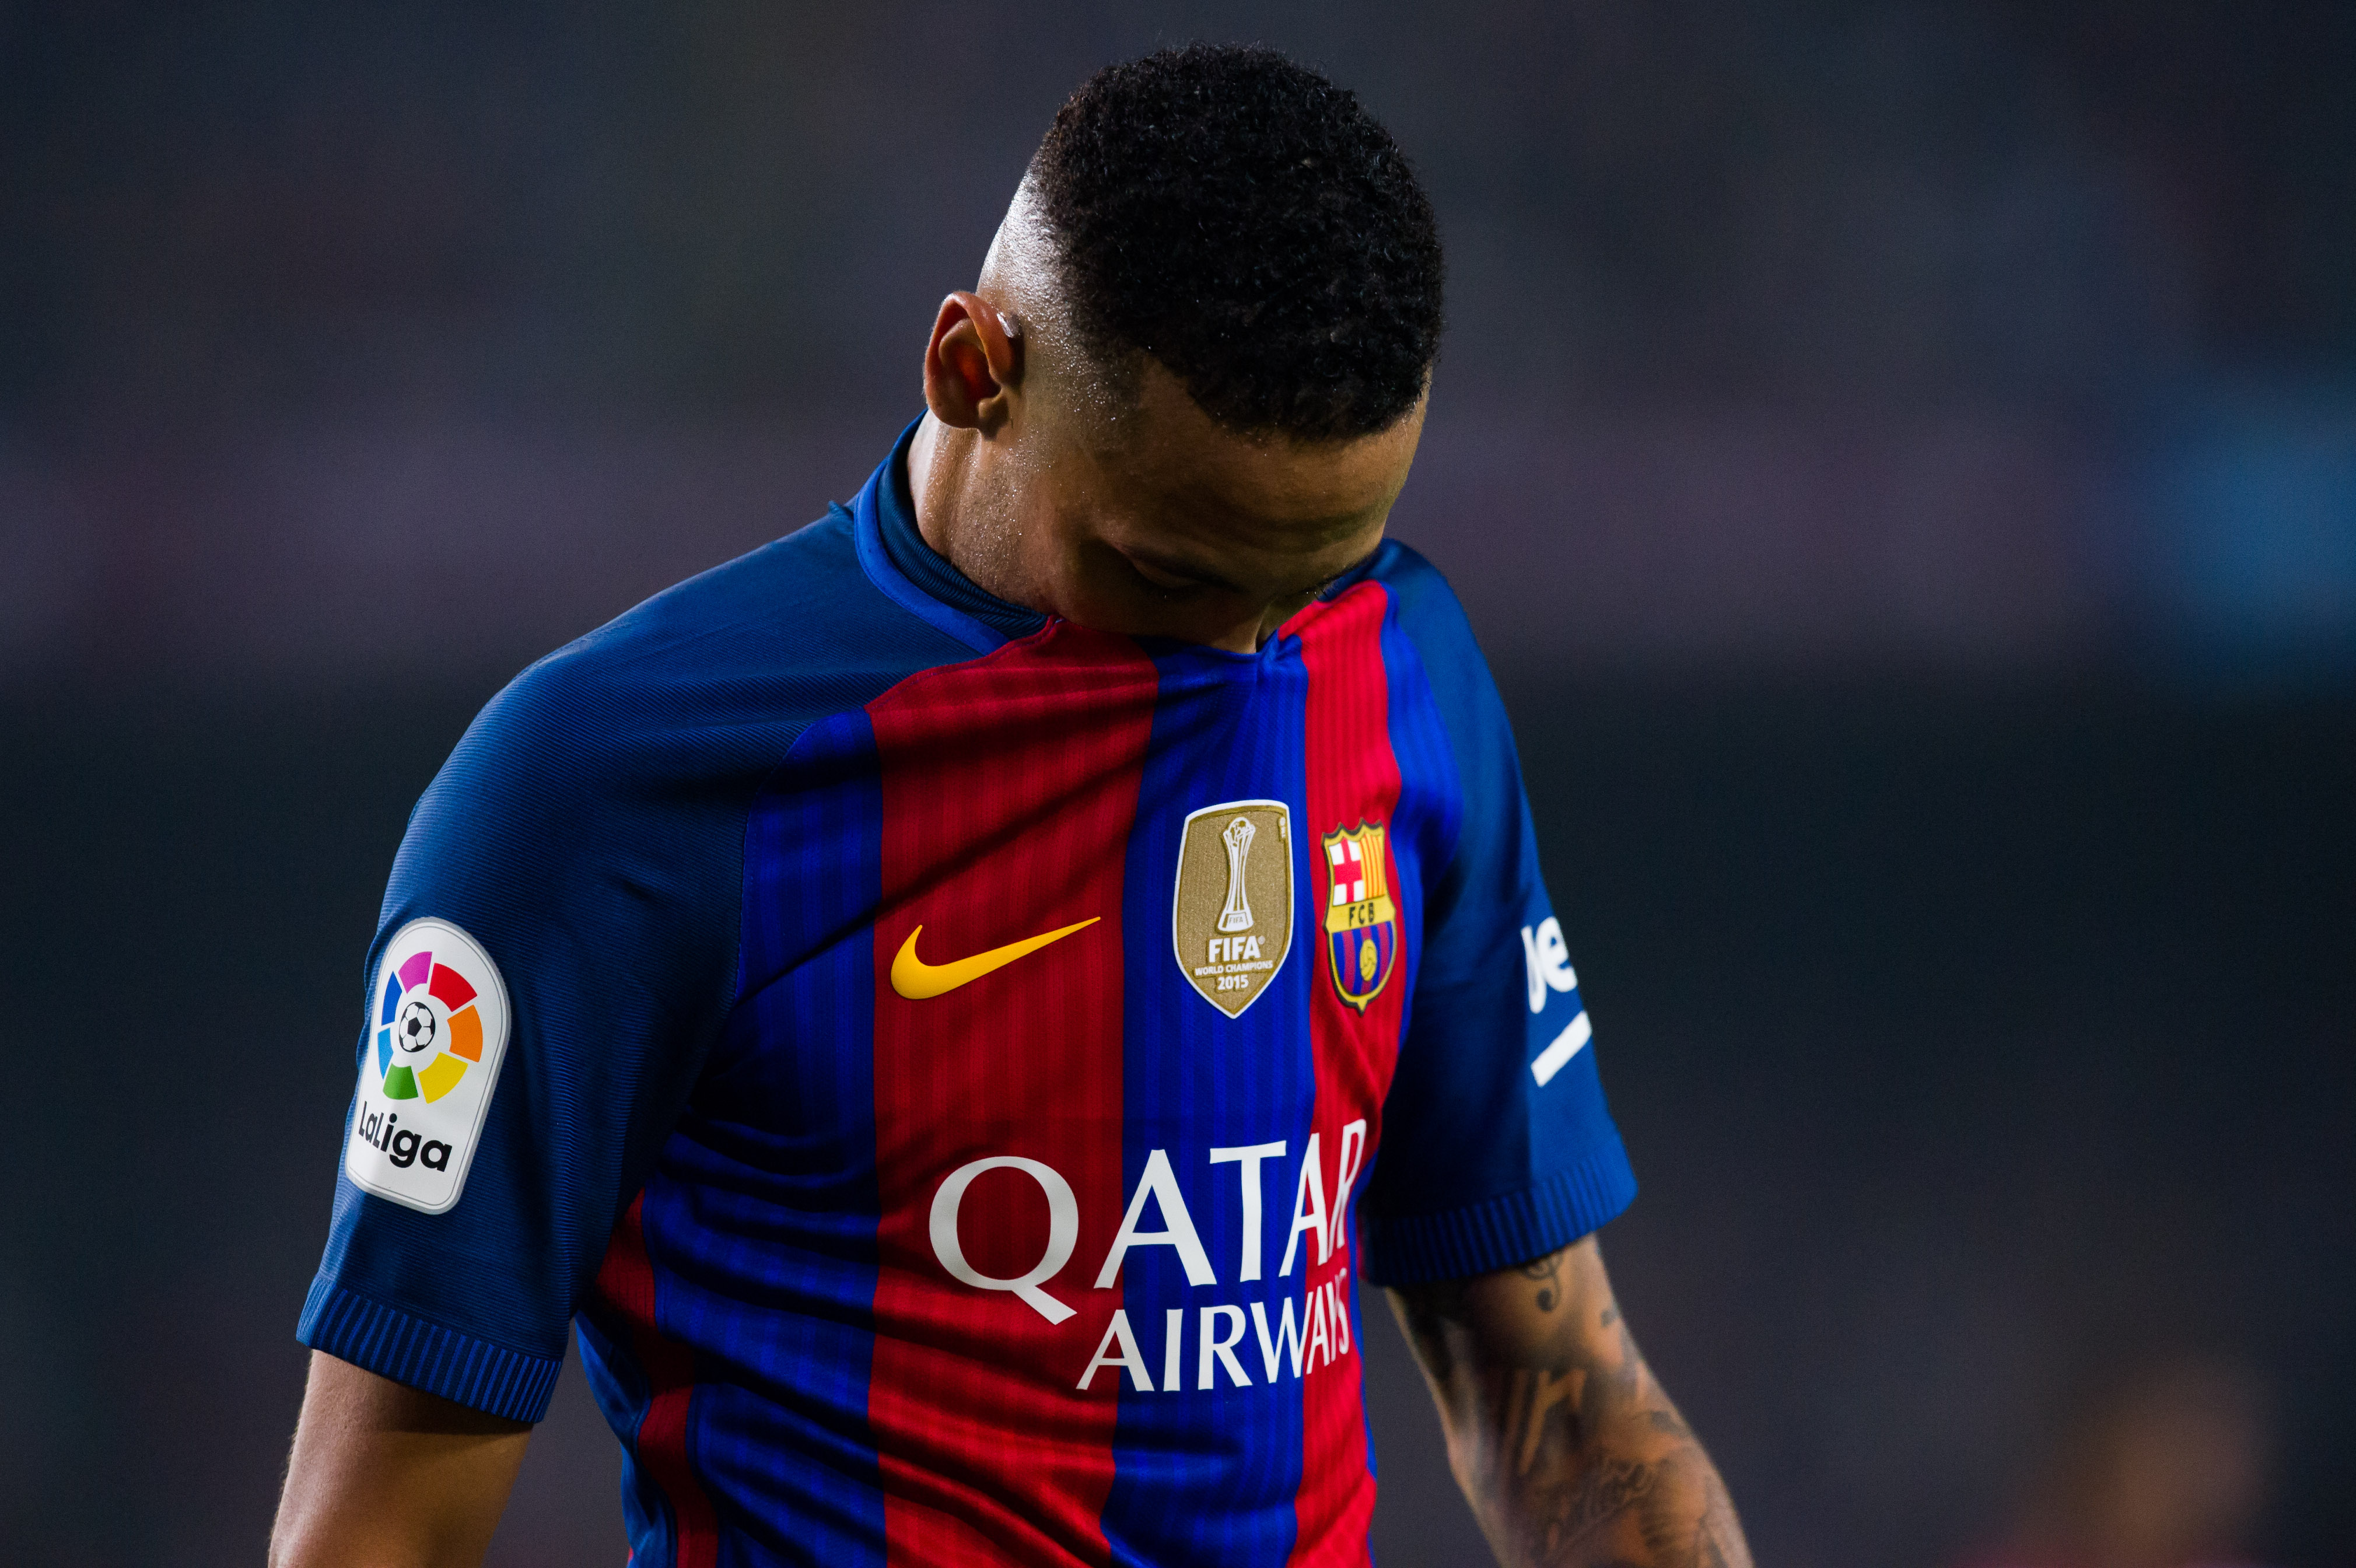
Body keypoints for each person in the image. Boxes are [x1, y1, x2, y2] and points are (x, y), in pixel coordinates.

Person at [268, 44, 1751, 1568]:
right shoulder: (594, 796)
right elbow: (380, 1525)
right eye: (1172, 571)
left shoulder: (1404, 668)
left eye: (1312, 575)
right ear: (975, 371)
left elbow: (1564, 1408)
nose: (1244, 649)